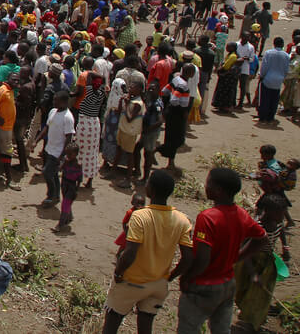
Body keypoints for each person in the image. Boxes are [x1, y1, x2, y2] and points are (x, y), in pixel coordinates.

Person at [177, 168, 270, 334]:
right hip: (227, 283)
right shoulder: (241, 214)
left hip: (203, 285)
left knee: (189, 328)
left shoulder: (207, 217)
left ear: (218, 190)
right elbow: (262, 239)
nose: (206, 187)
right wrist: (236, 258)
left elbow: (202, 259)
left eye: (208, 183)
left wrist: (186, 277)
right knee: (221, 329)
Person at [102, 170, 193, 334]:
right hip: (158, 284)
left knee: (112, 323)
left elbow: (130, 253)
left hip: (131, 281)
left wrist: (118, 272)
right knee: (145, 327)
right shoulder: (182, 220)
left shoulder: (140, 216)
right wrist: (169, 277)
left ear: (150, 190)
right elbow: (187, 258)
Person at [234, 192, 290, 332]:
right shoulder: (257, 226)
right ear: (270, 212)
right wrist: (252, 273)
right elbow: (244, 250)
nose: (283, 217)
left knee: (262, 293)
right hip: (251, 261)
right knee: (245, 290)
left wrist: (285, 247)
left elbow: (281, 230)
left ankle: (254, 319)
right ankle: (246, 321)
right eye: (280, 214)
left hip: (267, 262)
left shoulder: (276, 223)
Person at [31, 89, 74, 208]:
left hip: (57, 152)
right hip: (49, 149)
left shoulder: (68, 118)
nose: (53, 102)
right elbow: (46, 128)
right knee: (53, 174)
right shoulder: (53, 111)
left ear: (64, 102)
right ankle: (55, 195)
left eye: (56, 100)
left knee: (47, 172)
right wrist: (36, 141)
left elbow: (69, 138)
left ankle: (51, 196)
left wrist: (62, 156)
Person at [0, 73, 20, 190]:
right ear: (7, 79)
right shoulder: (2, 90)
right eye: (14, 80)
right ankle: (9, 179)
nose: (16, 83)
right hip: (4, 128)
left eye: (18, 81)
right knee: (8, 152)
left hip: (8, 128)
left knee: (2, 150)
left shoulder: (10, 90)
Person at [257, 36, 290, 125]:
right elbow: (286, 69)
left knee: (265, 99)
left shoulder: (268, 53)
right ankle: (270, 117)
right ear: (282, 45)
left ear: (274, 44)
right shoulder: (286, 55)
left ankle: (263, 117)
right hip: (278, 80)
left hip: (268, 78)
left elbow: (265, 66)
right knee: (274, 99)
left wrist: (262, 75)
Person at [54, 142, 82, 233]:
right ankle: (69, 217)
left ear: (76, 154)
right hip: (64, 184)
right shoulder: (66, 161)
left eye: (70, 154)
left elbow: (79, 179)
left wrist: (76, 189)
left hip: (71, 187)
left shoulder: (78, 165)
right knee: (66, 202)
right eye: (67, 153)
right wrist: (64, 163)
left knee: (65, 204)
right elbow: (60, 169)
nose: (68, 155)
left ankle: (60, 224)